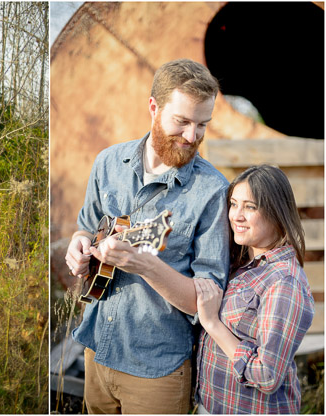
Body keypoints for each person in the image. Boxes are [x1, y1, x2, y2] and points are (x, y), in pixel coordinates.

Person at [64, 59, 231, 413]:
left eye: (203, 125)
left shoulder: (212, 191)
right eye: (182, 122)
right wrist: (79, 247)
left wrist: (146, 266)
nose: (192, 136)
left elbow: (206, 306)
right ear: (153, 107)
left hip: (157, 370)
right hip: (97, 349)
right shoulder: (107, 163)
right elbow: (85, 227)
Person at [194, 165, 314, 414]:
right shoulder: (242, 263)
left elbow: (267, 375)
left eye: (250, 207)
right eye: (234, 204)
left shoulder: (283, 282)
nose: (236, 215)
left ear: (276, 212)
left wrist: (212, 324)